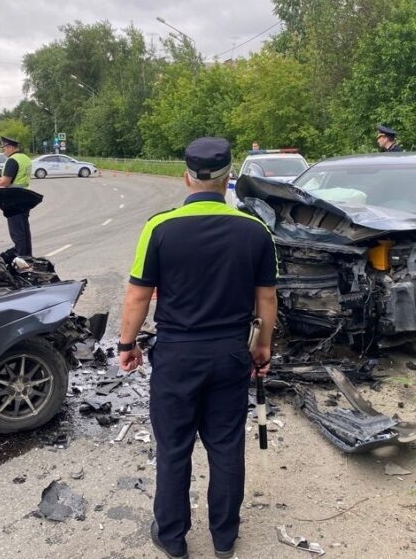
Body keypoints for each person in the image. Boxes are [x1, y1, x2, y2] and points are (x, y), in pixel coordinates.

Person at [118, 137, 278, 559]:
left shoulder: (159, 228)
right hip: (230, 355)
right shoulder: (255, 230)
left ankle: (173, 539)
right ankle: (224, 538)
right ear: (229, 179)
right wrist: (262, 348)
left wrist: (127, 344)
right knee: (226, 447)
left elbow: (138, 297)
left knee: (174, 448)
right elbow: (267, 300)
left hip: (177, 356)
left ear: (186, 176)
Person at [0, 135, 33, 256]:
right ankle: (27, 256)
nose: (3, 151)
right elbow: (17, 177)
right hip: (25, 197)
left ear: (10, 147)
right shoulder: (25, 158)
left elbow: (6, 182)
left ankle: (21, 257)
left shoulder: (12, 160)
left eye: (3, 148)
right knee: (24, 230)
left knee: (17, 232)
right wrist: (1, 179)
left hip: (14, 200)